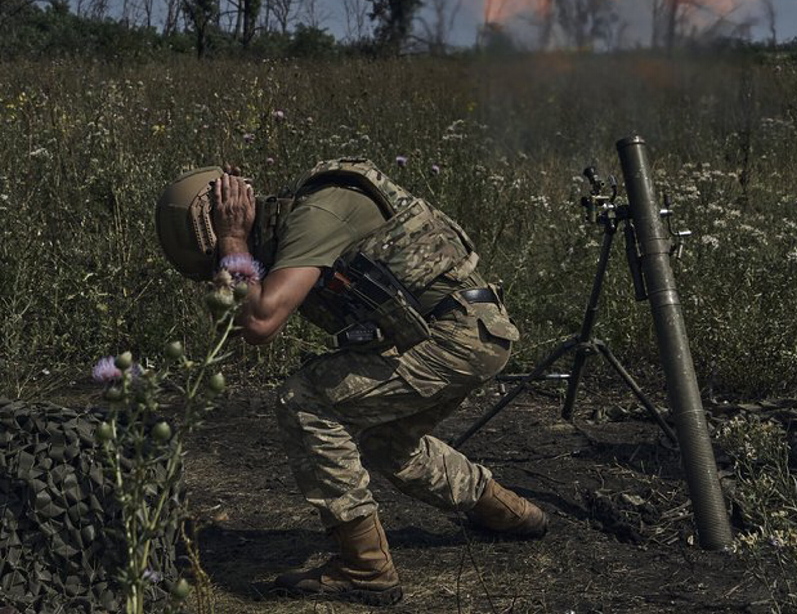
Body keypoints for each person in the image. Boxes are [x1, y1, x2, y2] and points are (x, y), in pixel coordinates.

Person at [155, 157, 549, 606]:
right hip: (458, 335)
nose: (224, 270)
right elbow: (241, 323)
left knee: (304, 397)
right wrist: (234, 256)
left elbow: (261, 322)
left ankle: (365, 566)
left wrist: (230, 238)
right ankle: (511, 513)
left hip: (456, 334)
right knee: (389, 447)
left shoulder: (314, 214)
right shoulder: (295, 227)